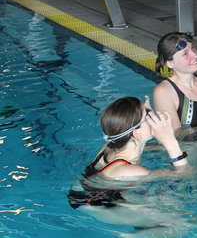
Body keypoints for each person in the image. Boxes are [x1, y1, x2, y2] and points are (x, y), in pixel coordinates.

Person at [68, 96, 189, 227]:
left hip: (84, 192)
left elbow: (138, 141)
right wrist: (170, 141)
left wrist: (146, 113)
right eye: (148, 115)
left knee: (158, 203)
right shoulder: (132, 171)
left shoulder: (110, 144)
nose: (153, 117)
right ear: (136, 134)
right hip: (96, 205)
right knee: (180, 222)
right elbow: (184, 174)